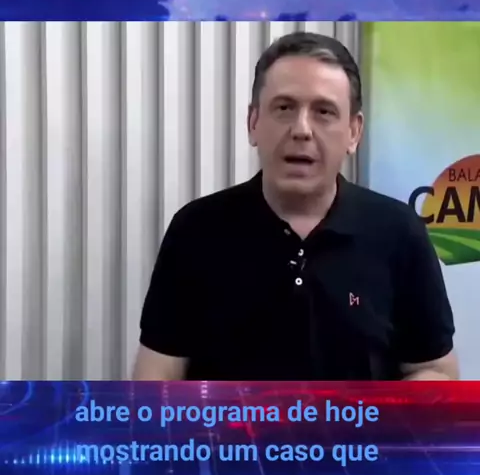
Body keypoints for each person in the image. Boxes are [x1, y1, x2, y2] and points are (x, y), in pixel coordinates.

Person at [133, 31, 459, 381]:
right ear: (253, 123)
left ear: (353, 132)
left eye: (324, 112)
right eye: (285, 108)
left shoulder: (399, 231)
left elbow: (435, 369)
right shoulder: (196, 230)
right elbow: (157, 374)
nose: (302, 130)